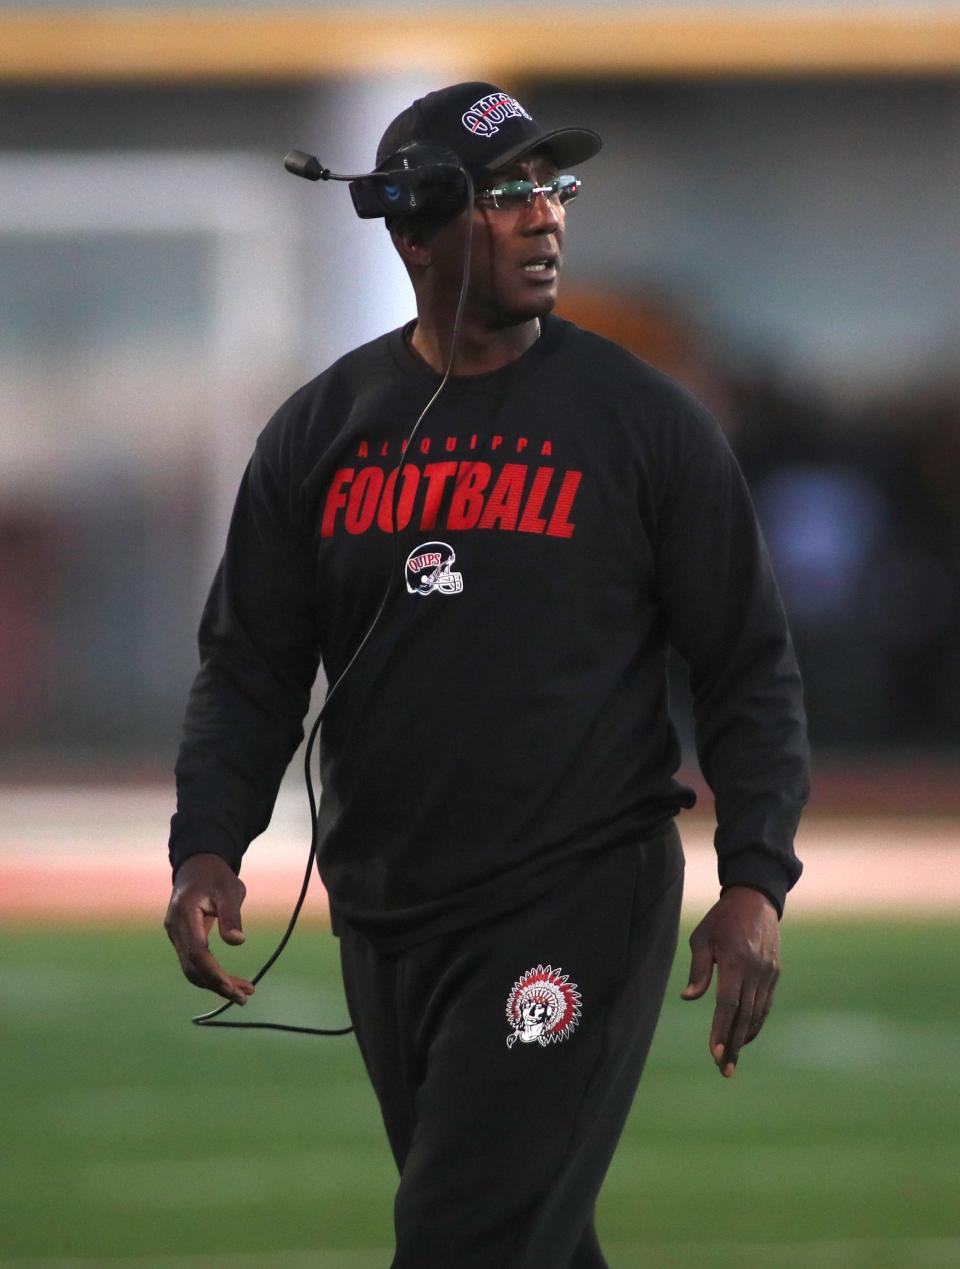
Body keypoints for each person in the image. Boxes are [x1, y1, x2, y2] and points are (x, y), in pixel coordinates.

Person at [165, 82, 809, 1268]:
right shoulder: (322, 430)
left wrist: (755, 879)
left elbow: (747, 670)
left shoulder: (646, 424)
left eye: (553, 191)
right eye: (509, 195)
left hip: (573, 894)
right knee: (532, 1245)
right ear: (416, 221)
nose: (548, 219)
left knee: (463, 1242)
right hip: (386, 909)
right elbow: (250, 667)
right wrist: (206, 843)